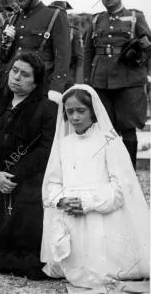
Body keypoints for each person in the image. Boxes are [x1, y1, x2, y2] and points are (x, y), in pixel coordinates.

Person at [41, 85, 150, 292]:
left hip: (102, 216)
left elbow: (119, 191)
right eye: (70, 111)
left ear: (93, 110)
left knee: (103, 272)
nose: (75, 117)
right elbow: (53, 182)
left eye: (81, 111)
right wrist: (61, 200)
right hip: (71, 215)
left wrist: (86, 203)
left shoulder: (109, 141)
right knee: (74, 268)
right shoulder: (64, 144)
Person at [0, 52, 58, 279]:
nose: (16, 77)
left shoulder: (47, 109)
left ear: (36, 82)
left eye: (25, 74)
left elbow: (44, 151)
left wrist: (13, 175)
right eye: (14, 71)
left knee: (24, 242)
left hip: (29, 181)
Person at [84, 0, 151, 168]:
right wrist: (88, 82)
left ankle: (129, 172)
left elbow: (148, 48)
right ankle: (109, 172)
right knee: (105, 129)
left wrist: (138, 57)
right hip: (101, 82)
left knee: (128, 129)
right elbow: (88, 51)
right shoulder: (96, 20)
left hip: (129, 82)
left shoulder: (135, 17)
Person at [0, 0, 71, 104]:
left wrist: (56, 88)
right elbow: (4, 58)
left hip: (40, 88)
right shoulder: (13, 19)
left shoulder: (54, 15)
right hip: (14, 87)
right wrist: (5, 44)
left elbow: (63, 56)